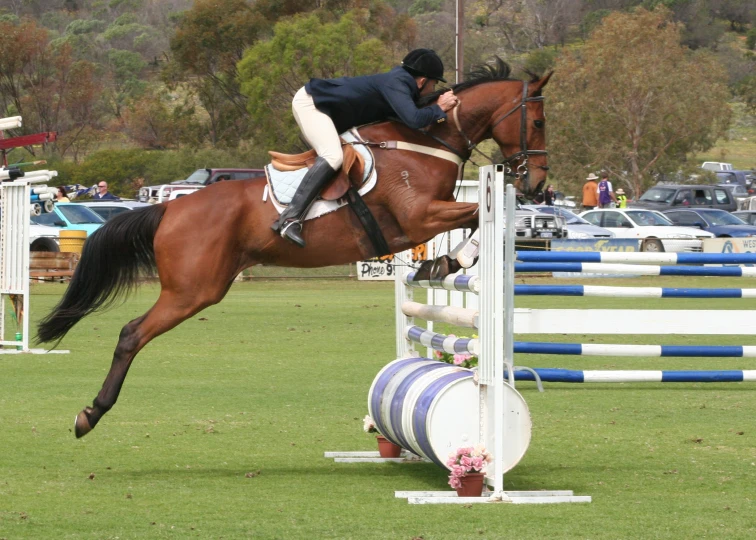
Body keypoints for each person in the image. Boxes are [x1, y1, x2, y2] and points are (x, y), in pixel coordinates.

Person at [270, 48, 459, 248]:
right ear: (422, 81)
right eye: (434, 83)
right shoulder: (397, 83)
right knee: (333, 156)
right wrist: (439, 108)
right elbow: (414, 119)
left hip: (326, 110)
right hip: (312, 104)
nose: (432, 88)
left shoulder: (400, 82)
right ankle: (289, 219)